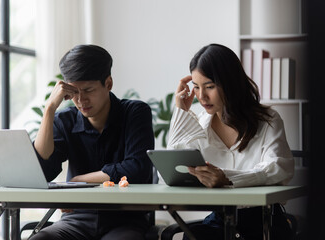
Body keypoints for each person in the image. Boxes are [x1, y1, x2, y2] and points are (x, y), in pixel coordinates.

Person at [167, 44, 294, 240]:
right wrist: (181, 112)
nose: (201, 96)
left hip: (263, 219)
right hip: (221, 219)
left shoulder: (268, 119)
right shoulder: (200, 123)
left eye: (209, 86)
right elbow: (169, 170)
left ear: (230, 83)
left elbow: (279, 167)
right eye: (196, 87)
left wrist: (228, 178)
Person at [31, 44, 154, 240]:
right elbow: (41, 171)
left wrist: (79, 180)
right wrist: (49, 110)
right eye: (73, 93)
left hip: (124, 219)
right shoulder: (65, 120)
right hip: (76, 220)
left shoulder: (135, 113)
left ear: (109, 83)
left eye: (88, 90)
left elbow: (137, 169)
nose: (81, 100)